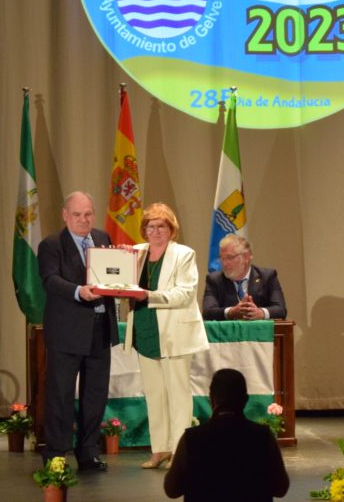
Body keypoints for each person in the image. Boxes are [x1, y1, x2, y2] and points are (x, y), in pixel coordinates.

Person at [125, 203, 210, 469]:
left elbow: (185, 294)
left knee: (178, 395)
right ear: (144, 230)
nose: (155, 231)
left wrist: (148, 295)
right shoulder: (134, 253)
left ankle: (180, 453)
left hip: (175, 333)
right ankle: (159, 449)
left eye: (161, 226)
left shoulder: (184, 254)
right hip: (144, 330)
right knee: (154, 394)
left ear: (171, 229)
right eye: (150, 226)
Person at [38, 191, 117, 470]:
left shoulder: (103, 238)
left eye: (88, 214)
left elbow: (113, 274)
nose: (84, 220)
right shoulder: (51, 245)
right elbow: (50, 280)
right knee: (60, 394)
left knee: (95, 395)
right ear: (65, 215)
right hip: (67, 332)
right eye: (77, 214)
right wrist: (78, 292)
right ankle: (57, 453)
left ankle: (88, 452)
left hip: (100, 329)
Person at [164, 368, 289, 501]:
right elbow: (281, 489)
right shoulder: (263, 437)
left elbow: (172, 490)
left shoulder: (191, 438)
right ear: (245, 400)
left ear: (212, 399)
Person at [202, 234, 287, 320]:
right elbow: (207, 312)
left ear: (246, 257)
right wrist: (231, 312)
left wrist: (260, 313)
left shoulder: (267, 277)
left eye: (229, 257)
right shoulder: (215, 280)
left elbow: (281, 310)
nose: (224, 263)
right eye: (221, 258)